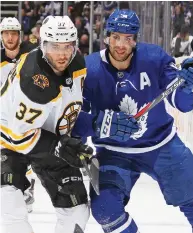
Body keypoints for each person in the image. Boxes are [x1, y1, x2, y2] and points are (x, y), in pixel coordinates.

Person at [72, 9, 193, 232]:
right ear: (106, 36)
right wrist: (100, 123)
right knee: (106, 210)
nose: (121, 44)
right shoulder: (88, 69)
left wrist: (189, 87)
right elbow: (71, 122)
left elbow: (183, 104)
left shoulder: (154, 58)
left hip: (161, 145)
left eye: (128, 38)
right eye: (116, 37)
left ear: (135, 40)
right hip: (113, 152)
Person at [1, 15, 93, 233]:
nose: (61, 54)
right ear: (43, 45)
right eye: (54, 46)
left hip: (49, 137)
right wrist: (61, 146)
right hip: (8, 138)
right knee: (9, 203)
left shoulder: (78, 64)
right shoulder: (34, 80)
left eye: (67, 46)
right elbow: (20, 136)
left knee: (77, 212)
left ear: (75, 46)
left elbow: (68, 112)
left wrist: (97, 123)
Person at [0, 17, 38, 213]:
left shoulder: (31, 55)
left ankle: (28, 185)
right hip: (4, 118)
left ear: (19, 35)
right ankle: (19, 187)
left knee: (27, 152)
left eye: (13, 33)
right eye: (6, 33)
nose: (9, 37)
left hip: (28, 115)